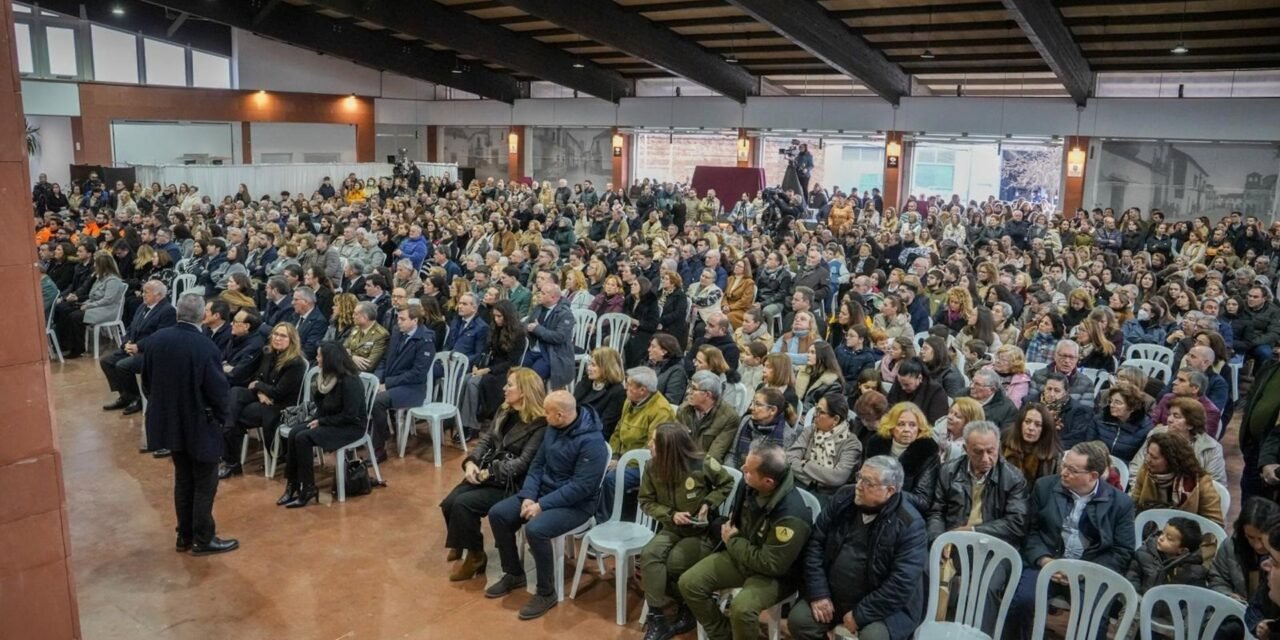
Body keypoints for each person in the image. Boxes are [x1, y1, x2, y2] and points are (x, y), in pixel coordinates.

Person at [485, 391, 607, 621]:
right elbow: (538, 465)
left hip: (576, 505)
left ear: (560, 415)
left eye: (547, 411)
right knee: (498, 514)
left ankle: (546, 592)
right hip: (543, 494)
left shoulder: (592, 442)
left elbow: (581, 487)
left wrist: (542, 505)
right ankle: (514, 573)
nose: (543, 414)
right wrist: (529, 495)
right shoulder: (552, 428)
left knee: (536, 529)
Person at [678, 440, 813, 640]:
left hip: (775, 576)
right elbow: (737, 521)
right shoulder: (748, 484)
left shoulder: (791, 516)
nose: (742, 470)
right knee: (689, 583)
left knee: (742, 609)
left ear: (768, 482)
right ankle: (723, 634)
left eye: (749, 470)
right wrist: (733, 538)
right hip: (742, 555)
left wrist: (732, 541)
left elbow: (771, 565)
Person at [1003, 441, 1136, 640]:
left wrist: (1083, 571)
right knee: (1022, 601)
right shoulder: (1045, 487)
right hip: (1047, 562)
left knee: (1092, 618)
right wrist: (1045, 560)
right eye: (1064, 465)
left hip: (1091, 571)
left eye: (1072, 470)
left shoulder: (1121, 503)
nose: (1064, 473)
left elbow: (1122, 550)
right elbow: (1030, 532)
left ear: (1093, 476)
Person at [787, 455, 928, 640]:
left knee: (873, 637)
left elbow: (901, 582)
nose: (858, 486)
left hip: (883, 607)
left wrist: (861, 614)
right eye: (859, 477)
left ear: (889, 490)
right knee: (799, 621)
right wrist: (819, 593)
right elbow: (815, 543)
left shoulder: (910, 524)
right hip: (833, 594)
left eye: (868, 482)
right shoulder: (843, 499)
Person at [141, 293, 236, 555]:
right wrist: (223, 419)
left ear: (177, 313)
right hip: (200, 423)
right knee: (205, 481)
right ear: (202, 316)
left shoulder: (157, 340)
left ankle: (184, 535)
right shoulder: (205, 347)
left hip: (169, 422)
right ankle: (203, 539)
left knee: (183, 478)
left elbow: (147, 382)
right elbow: (217, 390)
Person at [441, 368, 547, 582]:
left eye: (510, 385)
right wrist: (471, 462)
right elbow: (487, 440)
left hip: (512, 483)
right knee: (449, 503)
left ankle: (476, 556)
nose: (504, 388)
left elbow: (523, 463)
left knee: (463, 504)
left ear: (524, 391)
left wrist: (487, 473)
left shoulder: (539, 424)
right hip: (489, 472)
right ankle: (463, 542)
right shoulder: (505, 409)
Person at [926, 420, 1028, 634]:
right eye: (978, 452)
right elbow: (937, 511)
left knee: (985, 588)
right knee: (921, 573)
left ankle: (979, 636)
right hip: (952, 544)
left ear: (998, 447)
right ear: (965, 449)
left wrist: (972, 531)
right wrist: (938, 539)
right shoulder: (949, 471)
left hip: (993, 548)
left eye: (991, 451)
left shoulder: (1013, 478)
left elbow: (1016, 523)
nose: (986, 458)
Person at [638, 423, 736, 640]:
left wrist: (708, 503)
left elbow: (727, 483)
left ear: (670, 447)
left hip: (701, 532)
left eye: (655, 442)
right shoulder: (652, 467)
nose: (649, 445)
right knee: (649, 555)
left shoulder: (702, 463)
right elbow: (646, 501)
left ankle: (687, 606)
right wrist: (670, 514)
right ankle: (657, 617)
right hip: (672, 527)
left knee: (673, 563)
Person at [278, 342, 367, 508]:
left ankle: (308, 488)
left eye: (320, 356)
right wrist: (317, 418)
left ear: (330, 359)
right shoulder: (326, 377)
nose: (317, 358)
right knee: (294, 433)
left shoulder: (350, 381)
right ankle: (293, 484)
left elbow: (350, 415)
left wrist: (321, 422)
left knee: (303, 438)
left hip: (351, 427)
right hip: (331, 420)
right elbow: (322, 406)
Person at [220, 322, 307, 478]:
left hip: (279, 405)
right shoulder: (268, 353)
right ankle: (229, 442)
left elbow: (279, 392)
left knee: (237, 415)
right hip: (263, 396)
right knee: (235, 392)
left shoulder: (296, 363)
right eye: (275, 334)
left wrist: (258, 386)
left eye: (283, 336)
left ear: (292, 340)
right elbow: (256, 376)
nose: (277, 338)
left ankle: (231, 461)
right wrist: (260, 392)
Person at [601, 367, 676, 522]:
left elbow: (651, 448)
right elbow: (618, 431)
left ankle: (606, 520)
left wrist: (623, 462)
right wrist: (614, 455)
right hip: (622, 457)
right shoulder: (630, 401)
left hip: (644, 465)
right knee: (594, 467)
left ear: (642, 390)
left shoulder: (661, 411)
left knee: (611, 479)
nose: (625, 387)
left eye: (629, 385)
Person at [102, 280, 176, 416]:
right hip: (133, 347)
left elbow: (160, 337)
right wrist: (126, 343)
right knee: (106, 361)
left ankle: (137, 399)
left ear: (158, 295)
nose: (143, 295)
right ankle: (125, 395)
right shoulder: (142, 306)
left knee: (122, 366)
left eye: (147, 292)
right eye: (143, 292)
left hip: (151, 353)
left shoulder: (168, 311)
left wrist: (138, 346)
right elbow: (131, 328)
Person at [371, 305, 435, 459]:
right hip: (393, 382)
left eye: (402, 319)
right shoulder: (397, 332)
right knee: (365, 392)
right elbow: (385, 359)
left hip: (413, 389)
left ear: (415, 320)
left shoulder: (425, 340)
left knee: (377, 401)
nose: (398, 322)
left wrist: (388, 384)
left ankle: (379, 449)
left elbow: (417, 374)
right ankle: (371, 435)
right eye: (398, 318)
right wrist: (377, 380)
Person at [1129, 431, 1225, 526]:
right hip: (1148, 529)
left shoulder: (1201, 483)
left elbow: (1215, 523)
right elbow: (1134, 503)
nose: (1147, 460)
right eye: (1148, 454)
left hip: (1186, 534)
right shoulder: (1145, 471)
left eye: (1154, 457)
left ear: (1171, 461)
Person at [1129, 396, 1227, 485]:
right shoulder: (1156, 434)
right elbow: (1136, 466)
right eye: (1170, 414)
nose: (1169, 419)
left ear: (1191, 424)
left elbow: (1216, 484)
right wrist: (1138, 491)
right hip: (1149, 492)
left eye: (1176, 416)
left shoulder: (1211, 448)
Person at [864, 402, 938, 514]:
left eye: (912, 425)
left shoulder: (928, 452)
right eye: (901, 424)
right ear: (891, 427)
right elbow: (864, 479)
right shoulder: (875, 445)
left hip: (905, 510)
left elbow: (923, 500)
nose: (907, 429)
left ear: (919, 428)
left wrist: (886, 493)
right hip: (872, 502)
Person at [786, 393, 861, 499]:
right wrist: (816, 479)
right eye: (816, 409)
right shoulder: (811, 430)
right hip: (798, 483)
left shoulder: (851, 444)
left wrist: (806, 464)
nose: (814, 415)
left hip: (828, 496)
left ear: (835, 419)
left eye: (820, 412)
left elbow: (837, 477)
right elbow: (789, 458)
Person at [56, 250, 126, 359]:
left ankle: (78, 349)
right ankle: (67, 344)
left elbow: (108, 300)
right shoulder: (100, 278)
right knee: (67, 311)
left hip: (107, 310)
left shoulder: (113, 280)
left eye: (96, 264)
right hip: (97, 306)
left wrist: (88, 306)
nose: (94, 266)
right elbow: (92, 296)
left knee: (75, 317)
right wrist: (84, 303)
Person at [1209, 497, 1280, 602]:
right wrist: (1227, 596)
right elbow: (1218, 578)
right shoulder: (1230, 547)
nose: (1258, 546)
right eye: (1250, 537)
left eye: (1261, 539)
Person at [1126, 516, 1208, 594]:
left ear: (1182, 550)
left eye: (1169, 538)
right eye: (1162, 533)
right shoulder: (1145, 553)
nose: (1161, 538)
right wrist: (1137, 597)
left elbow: (1194, 598)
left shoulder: (1194, 573)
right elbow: (1133, 576)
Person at [677, 370, 741, 463]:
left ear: (707, 395)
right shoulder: (683, 410)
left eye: (693, 388)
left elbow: (713, 457)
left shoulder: (729, 418)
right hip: (680, 463)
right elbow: (675, 444)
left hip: (704, 467)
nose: (688, 391)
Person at [724, 387, 797, 468]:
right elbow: (732, 454)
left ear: (773, 410)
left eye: (758, 404)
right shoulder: (746, 420)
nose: (751, 407)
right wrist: (730, 472)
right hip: (736, 471)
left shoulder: (787, 435)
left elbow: (776, 470)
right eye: (752, 402)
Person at [524, 282, 576, 390]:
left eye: (543, 293)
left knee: (533, 377)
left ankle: (535, 399)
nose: (539, 295)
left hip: (552, 354)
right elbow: (526, 323)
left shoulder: (565, 314)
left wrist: (537, 329)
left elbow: (559, 337)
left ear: (552, 297)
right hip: (532, 350)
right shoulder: (539, 308)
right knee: (517, 369)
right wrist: (527, 327)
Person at [1090, 381, 1154, 464]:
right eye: (1111, 401)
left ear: (1132, 407)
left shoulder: (1145, 428)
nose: (1112, 405)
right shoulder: (1099, 419)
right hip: (1097, 463)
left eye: (1118, 402)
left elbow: (1138, 461)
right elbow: (1089, 446)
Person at [1001, 402, 1062, 488]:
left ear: (1045, 429)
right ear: (1020, 423)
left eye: (1037, 425)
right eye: (1027, 422)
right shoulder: (1003, 443)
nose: (1031, 428)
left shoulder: (1053, 457)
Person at [573, 347, 626, 441]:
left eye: (593, 365)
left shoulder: (617, 392)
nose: (588, 368)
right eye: (589, 364)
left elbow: (605, 427)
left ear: (606, 367)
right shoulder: (585, 382)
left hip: (591, 438)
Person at [886, 357, 948, 425]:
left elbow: (935, 422)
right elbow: (889, 407)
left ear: (919, 378)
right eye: (901, 384)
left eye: (907, 385)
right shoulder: (899, 383)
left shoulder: (936, 392)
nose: (903, 388)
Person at [222, 309, 265, 388]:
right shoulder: (235, 337)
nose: (231, 324)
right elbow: (221, 359)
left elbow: (236, 375)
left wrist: (225, 367)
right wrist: (225, 366)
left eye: (235, 321)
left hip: (236, 386)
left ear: (246, 326)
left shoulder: (254, 347)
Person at [343, 301, 390, 372]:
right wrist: (352, 357)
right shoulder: (356, 329)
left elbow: (367, 366)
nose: (353, 316)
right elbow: (342, 350)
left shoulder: (381, 335)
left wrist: (347, 357)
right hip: (347, 369)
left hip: (361, 374)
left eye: (356, 314)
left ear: (365, 317)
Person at [648, 333, 688, 406]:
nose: (649, 349)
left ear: (664, 351)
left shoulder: (677, 372)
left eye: (653, 347)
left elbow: (671, 400)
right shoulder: (649, 365)